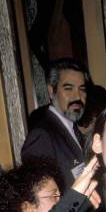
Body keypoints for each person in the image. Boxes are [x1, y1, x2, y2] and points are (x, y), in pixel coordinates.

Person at [22, 57, 90, 190]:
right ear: (51, 91)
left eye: (82, 89)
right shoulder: (41, 136)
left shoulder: (71, 127)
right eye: (68, 89)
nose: (77, 97)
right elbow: (42, 199)